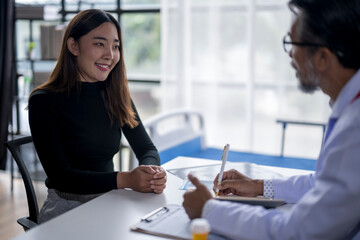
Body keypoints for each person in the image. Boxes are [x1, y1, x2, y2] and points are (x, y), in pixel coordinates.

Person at [182, 0, 360, 239]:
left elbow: (297, 232)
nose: (290, 55)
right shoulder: (349, 107)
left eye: (292, 43)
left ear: (323, 58)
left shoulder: (354, 129)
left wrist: (209, 209)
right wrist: (259, 187)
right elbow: (324, 184)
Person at [28, 9, 167, 223]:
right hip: (66, 208)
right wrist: (126, 179)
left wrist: (152, 172)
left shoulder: (114, 94)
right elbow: (63, 178)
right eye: (99, 43)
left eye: (115, 46)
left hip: (111, 200)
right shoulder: (43, 100)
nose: (110, 55)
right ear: (73, 46)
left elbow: (147, 148)